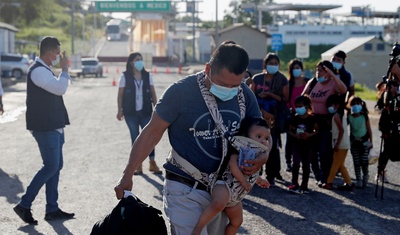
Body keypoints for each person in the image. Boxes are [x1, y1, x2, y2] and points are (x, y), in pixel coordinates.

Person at [114, 43, 267, 235]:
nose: (229, 89)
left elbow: (260, 136)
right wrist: (127, 174)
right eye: (222, 83)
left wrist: (262, 157)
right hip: (185, 188)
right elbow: (151, 132)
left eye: (234, 85)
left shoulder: (245, 95)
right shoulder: (180, 93)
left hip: (223, 192)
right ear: (208, 69)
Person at [13, 36, 74, 225]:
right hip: (45, 128)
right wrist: (64, 69)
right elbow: (60, 88)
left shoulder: (45, 69)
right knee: (50, 166)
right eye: (57, 52)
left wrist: (63, 71)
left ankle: (52, 209)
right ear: (49, 53)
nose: (59, 56)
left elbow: (62, 85)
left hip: (54, 127)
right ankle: (24, 204)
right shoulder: (38, 71)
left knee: (55, 167)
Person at [192, 117, 270, 235]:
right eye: (258, 136)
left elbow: (251, 173)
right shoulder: (238, 150)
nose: (263, 141)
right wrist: (244, 182)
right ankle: (199, 227)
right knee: (218, 203)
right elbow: (233, 165)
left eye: (266, 138)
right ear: (245, 136)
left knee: (237, 221)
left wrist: (259, 180)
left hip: (236, 197)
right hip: (225, 184)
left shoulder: (256, 156)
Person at [302, 60, 347, 187]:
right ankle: (317, 175)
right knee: (311, 151)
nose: (318, 73)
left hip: (325, 122)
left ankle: (326, 176)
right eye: (317, 70)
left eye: (321, 71)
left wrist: (332, 75)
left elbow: (343, 90)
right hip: (312, 120)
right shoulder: (313, 82)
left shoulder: (333, 84)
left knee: (324, 151)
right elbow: (303, 97)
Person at [116, 52, 161, 175]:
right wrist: (119, 110)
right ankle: (137, 165)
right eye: (137, 60)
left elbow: (153, 92)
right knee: (135, 138)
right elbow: (120, 95)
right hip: (130, 113)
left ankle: (152, 162)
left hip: (146, 111)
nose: (140, 62)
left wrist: (157, 109)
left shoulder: (147, 75)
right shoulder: (125, 76)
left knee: (149, 137)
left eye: (141, 59)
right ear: (131, 62)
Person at [250, 53, 289, 185]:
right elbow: (252, 97)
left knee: (272, 146)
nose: (273, 66)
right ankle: (256, 173)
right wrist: (261, 111)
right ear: (265, 64)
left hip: (274, 119)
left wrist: (270, 94)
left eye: (275, 63)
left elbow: (285, 99)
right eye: (270, 63)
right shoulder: (257, 78)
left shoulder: (282, 79)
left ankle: (272, 173)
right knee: (256, 145)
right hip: (258, 117)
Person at [322, 94, 353, 191]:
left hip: (340, 144)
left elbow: (341, 130)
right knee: (340, 165)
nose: (329, 108)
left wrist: (337, 144)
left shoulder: (336, 116)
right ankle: (349, 183)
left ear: (337, 105)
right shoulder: (341, 115)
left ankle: (329, 182)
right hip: (344, 144)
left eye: (331, 105)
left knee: (335, 164)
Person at [287, 95, 318, 194]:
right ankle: (294, 183)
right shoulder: (295, 118)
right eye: (297, 106)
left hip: (308, 145)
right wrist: (295, 135)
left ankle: (304, 185)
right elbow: (289, 130)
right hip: (297, 144)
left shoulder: (312, 118)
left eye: (300, 106)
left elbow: (317, 131)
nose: (298, 108)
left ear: (306, 106)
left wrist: (309, 135)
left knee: (306, 165)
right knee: (295, 164)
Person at [285, 59, 309, 172]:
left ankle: (305, 162)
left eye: (298, 68)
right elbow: (286, 99)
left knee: (304, 137)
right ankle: (288, 162)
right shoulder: (289, 84)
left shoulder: (307, 82)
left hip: (305, 115)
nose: (296, 70)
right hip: (292, 115)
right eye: (294, 68)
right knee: (291, 139)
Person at [376, 79, 400, 182]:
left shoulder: (398, 97)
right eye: (392, 86)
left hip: (398, 127)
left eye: (396, 85)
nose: (394, 88)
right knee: (386, 151)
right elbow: (380, 110)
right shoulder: (385, 97)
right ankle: (380, 171)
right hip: (388, 127)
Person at [346, 96, 373, 188]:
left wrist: (371, 142)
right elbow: (344, 126)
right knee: (356, 162)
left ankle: (365, 175)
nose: (356, 106)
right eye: (353, 104)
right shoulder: (349, 117)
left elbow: (369, 130)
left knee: (364, 161)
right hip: (354, 142)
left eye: (358, 104)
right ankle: (358, 179)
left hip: (364, 141)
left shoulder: (364, 116)